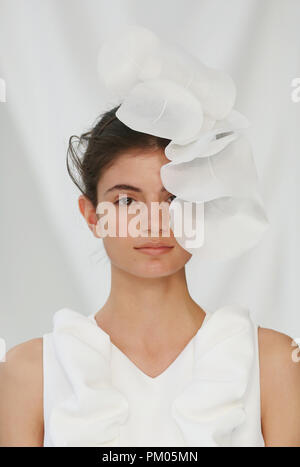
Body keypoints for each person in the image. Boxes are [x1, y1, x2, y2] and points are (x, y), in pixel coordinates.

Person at [0, 105, 300, 447]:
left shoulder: (274, 362)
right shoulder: (28, 372)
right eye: (127, 201)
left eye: (174, 198)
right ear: (91, 216)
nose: (153, 222)